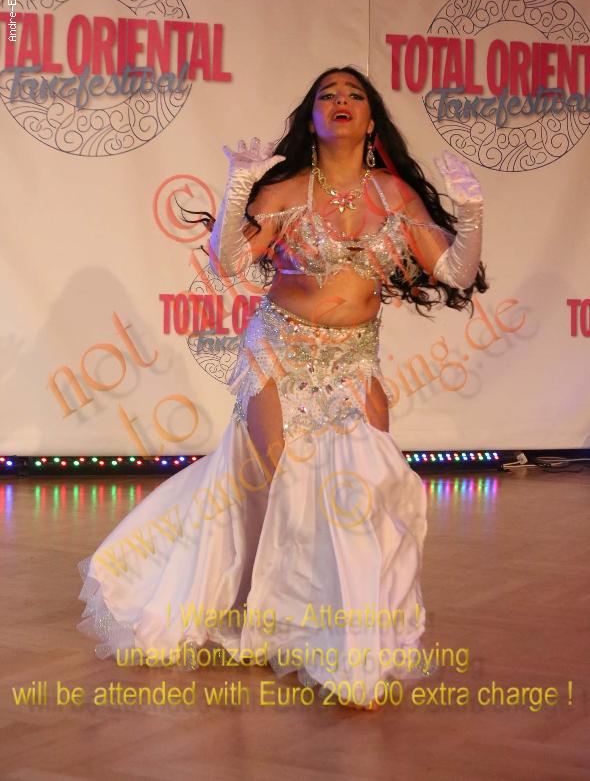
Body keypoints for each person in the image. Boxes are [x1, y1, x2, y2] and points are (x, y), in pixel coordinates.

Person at [78, 66, 487, 710]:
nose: (342, 101)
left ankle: (348, 637)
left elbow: (458, 272)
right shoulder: (287, 191)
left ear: (371, 120)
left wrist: (470, 213)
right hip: (277, 355)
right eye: (328, 94)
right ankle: (289, 625)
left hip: (354, 363)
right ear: (312, 117)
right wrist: (239, 186)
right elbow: (228, 265)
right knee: (282, 487)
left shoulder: (396, 196)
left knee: (369, 492)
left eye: (354, 94)